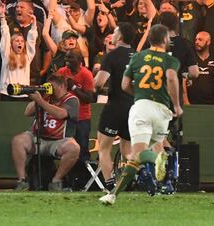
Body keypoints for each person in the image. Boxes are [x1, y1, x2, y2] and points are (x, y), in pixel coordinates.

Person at [100, 24, 182, 205]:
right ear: (166, 40)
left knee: (137, 155)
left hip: (142, 107)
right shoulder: (170, 60)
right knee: (156, 146)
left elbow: (124, 85)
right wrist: (176, 104)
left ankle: (115, 192)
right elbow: (170, 78)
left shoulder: (138, 57)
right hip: (162, 111)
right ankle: (162, 176)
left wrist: (138, 94)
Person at [11, 73, 80, 191]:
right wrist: (40, 97)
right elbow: (27, 112)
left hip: (59, 141)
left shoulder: (72, 100)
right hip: (38, 137)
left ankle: (56, 181)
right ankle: (22, 180)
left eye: (53, 87)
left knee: (74, 148)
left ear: (62, 86)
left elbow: (61, 114)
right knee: (17, 141)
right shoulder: (45, 97)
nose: (51, 90)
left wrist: (41, 102)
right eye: (49, 87)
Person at [93, 22, 136, 190]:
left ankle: (110, 186)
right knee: (127, 150)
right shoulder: (138, 55)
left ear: (121, 36)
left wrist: (94, 81)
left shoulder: (112, 55)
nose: (114, 33)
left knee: (104, 148)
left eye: (116, 31)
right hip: (133, 107)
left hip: (115, 106)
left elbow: (99, 83)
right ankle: (146, 171)